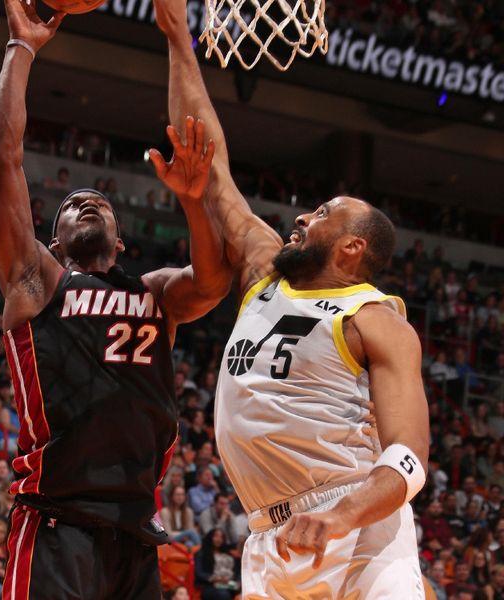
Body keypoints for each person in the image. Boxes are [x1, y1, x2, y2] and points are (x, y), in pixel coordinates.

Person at [154, 0, 429, 596]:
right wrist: (177, 36)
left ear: (353, 248)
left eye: (324, 213)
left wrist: (340, 516)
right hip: (268, 537)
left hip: (360, 531)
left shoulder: (375, 320)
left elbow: (408, 460)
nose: (304, 215)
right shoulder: (262, 273)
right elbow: (213, 162)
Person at [0, 2, 229, 597]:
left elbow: (215, 281)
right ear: (53, 238)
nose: (86, 203)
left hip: (135, 536)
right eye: (71, 206)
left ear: (120, 240)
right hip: (57, 523)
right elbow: (1, 159)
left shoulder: (154, 293)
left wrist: (195, 201)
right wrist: (21, 50)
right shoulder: (37, 284)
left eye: (101, 204)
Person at [194, 528, 240, 600]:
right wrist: (216, 578)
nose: (219, 539)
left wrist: (237, 581)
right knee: (223, 595)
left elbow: (237, 571)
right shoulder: (202, 554)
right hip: (211, 586)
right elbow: (199, 572)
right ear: (210, 537)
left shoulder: (229, 554)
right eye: (216, 536)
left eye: (221, 537)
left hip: (230, 584)